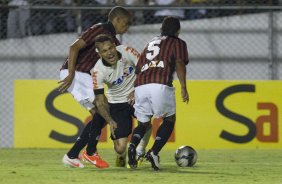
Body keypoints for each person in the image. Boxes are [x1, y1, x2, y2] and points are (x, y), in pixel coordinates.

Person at [58, 6, 131, 168]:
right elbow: (74, 47)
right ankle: (89, 152)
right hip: (77, 74)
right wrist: (70, 74)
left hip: (84, 76)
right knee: (102, 111)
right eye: (126, 23)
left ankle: (74, 155)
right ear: (117, 20)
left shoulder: (114, 43)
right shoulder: (99, 29)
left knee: (100, 115)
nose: (127, 27)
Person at [127, 16, 189, 170]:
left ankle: (132, 145)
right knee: (169, 119)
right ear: (178, 31)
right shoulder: (177, 42)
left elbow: (138, 69)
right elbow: (180, 62)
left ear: (161, 29)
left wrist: (134, 90)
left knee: (143, 123)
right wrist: (183, 87)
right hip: (160, 83)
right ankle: (153, 152)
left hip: (141, 85)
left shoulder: (149, 44)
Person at [90, 34, 152, 168]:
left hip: (136, 96)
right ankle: (121, 155)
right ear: (99, 53)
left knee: (146, 120)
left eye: (111, 48)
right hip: (116, 103)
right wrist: (110, 121)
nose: (110, 53)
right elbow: (100, 101)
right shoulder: (98, 71)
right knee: (120, 148)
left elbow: (145, 69)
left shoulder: (127, 51)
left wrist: (136, 89)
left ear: (114, 45)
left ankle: (140, 150)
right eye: (104, 51)